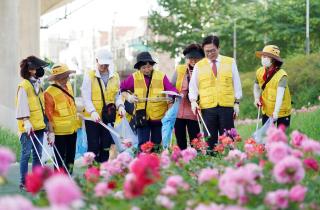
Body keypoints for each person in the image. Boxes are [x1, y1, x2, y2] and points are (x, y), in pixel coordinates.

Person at [189, 35, 242, 150]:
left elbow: (236, 83)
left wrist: (237, 102)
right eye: (206, 51)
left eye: (212, 50)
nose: (210, 54)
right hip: (208, 108)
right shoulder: (199, 66)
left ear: (218, 48)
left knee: (228, 139)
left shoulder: (230, 62)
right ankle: (211, 162)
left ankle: (231, 160)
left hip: (226, 106)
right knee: (210, 140)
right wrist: (193, 101)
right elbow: (193, 87)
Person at [121, 52, 178, 149]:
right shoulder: (134, 77)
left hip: (158, 116)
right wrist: (129, 97)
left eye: (149, 66)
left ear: (152, 65)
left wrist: (173, 97)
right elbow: (122, 88)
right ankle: (142, 163)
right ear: (139, 68)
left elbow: (171, 90)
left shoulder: (161, 76)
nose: (147, 69)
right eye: (144, 67)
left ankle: (154, 162)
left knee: (156, 145)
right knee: (143, 145)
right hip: (141, 116)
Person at [81, 48, 125, 162]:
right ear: (97, 60)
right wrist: (92, 111)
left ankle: (103, 171)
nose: (104, 67)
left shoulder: (115, 76)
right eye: (102, 64)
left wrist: (120, 106)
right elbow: (86, 97)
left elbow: (117, 96)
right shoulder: (89, 75)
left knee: (106, 146)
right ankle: (92, 174)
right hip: (92, 118)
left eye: (106, 64)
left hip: (108, 116)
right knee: (93, 146)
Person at [16, 56, 48, 190]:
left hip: (39, 125)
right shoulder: (24, 86)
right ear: (30, 70)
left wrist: (45, 123)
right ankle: (23, 182)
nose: (40, 70)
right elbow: (21, 105)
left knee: (37, 154)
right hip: (27, 126)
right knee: (26, 154)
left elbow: (42, 105)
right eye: (37, 68)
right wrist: (26, 121)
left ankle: (35, 181)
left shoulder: (38, 84)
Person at [44, 64, 80, 174]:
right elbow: (48, 115)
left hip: (72, 129)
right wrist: (51, 132)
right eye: (65, 76)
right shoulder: (49, 93)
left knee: (70, 157)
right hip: (59, 133)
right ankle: (59, 181)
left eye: (67, 76)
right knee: (59, 159)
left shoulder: (69, 86)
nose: (67, 78)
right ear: (57, 78)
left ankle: (69, 178)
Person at [171, 44, 203, 150]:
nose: (193, 61)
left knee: (195, 139)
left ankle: (197, 160)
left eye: (196, 58)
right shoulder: (180, 69)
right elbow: (172, 86)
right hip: (179, 110)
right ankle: (181, 160)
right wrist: (174, 94)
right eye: (190, 58)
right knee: (180, 140)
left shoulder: (203, 70)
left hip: (194, 111)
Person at [254, 45, 292, 127]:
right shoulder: (259, 71)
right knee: (267, 137)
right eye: (262, 56)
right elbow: (256, 86)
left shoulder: (282, 75)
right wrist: (256, 98)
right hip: (267, 110)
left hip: (282, 111)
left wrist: (276, 112)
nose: (263, 59)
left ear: (273, 59)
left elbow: (280, 95)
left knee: (281, 137)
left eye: (265, 56)